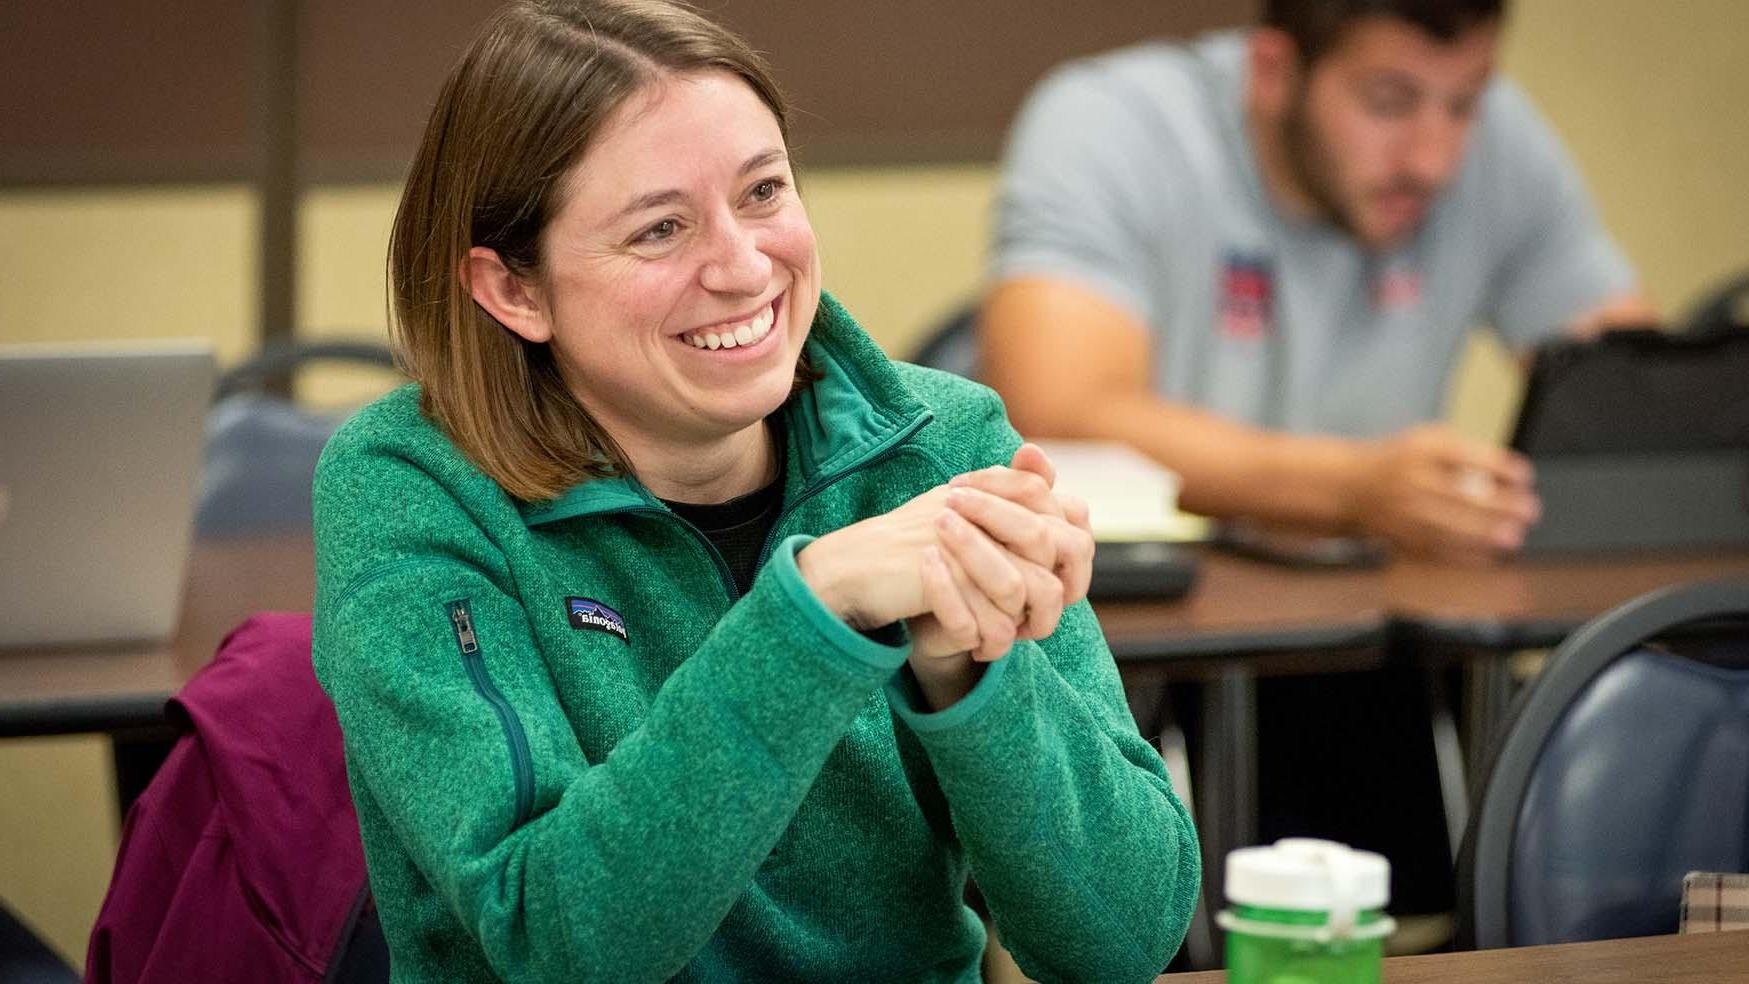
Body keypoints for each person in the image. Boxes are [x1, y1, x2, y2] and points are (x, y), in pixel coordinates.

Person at [310, 1, 1199, 981]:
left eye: (764, 191)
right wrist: (814, 611)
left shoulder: (943, 447)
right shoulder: (413, 485)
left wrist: (972, 673)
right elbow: (554, 942)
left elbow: (1124, 944)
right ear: (515, 291)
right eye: (659, 229)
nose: (743, 267)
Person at [983, 0, 1657, 564]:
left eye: (1464, 104)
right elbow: (1056, 417)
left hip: (1368, 632)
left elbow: (1636, 400)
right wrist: (1349, 490)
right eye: (1388, 102)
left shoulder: (1498, 138)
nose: (1432, 159)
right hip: (1136, 639)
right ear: (1273, 71)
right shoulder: (1111, 123)